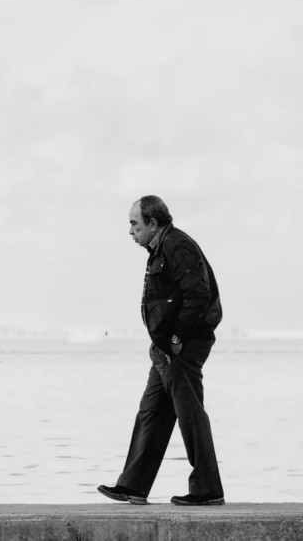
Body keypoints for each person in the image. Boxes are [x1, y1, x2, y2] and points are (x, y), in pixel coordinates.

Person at [97, 195, 225, 506]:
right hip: (165, 348)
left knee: (190, 413)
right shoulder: (160, 247)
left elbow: (198, 294)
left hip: (181, 347)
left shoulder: (177, 246)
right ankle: (133, 486)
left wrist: (178, 338)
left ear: (153, 223)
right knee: (152, 413)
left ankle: (208, 490)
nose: (130, 231)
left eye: (134, 224)